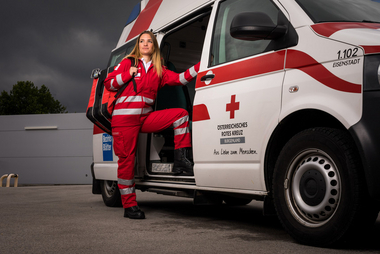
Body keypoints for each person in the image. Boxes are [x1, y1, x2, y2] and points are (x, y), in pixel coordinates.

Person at [104, 31, 200, 219]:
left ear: (154, 46)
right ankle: (129, 206)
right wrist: (126, 75)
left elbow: (180, 79)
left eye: (149, 41)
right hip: (124, 120)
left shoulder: (159, 70)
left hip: (144, 118)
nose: (145, 44)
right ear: (138, 45)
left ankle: (181, 161)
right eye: (142, 41)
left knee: (181, 115)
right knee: (127, 162)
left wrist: (200, 65)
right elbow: (109, 84)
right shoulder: (128, 62)